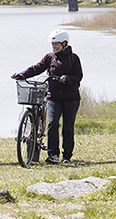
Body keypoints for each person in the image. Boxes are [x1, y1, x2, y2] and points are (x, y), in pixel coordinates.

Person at [12, 28, 83, 165]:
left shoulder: (74, 58)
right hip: (53, 97)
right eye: (53, 45)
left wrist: (67, 78)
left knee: (68, 128)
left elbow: (78, 76)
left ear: (64, 43)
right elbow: (36, 68)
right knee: (52, 124)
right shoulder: (50, 58)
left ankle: (67, 156)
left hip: (71, 98)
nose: (54, 47)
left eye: (57, 44)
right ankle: (53, 155)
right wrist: (21, 75)